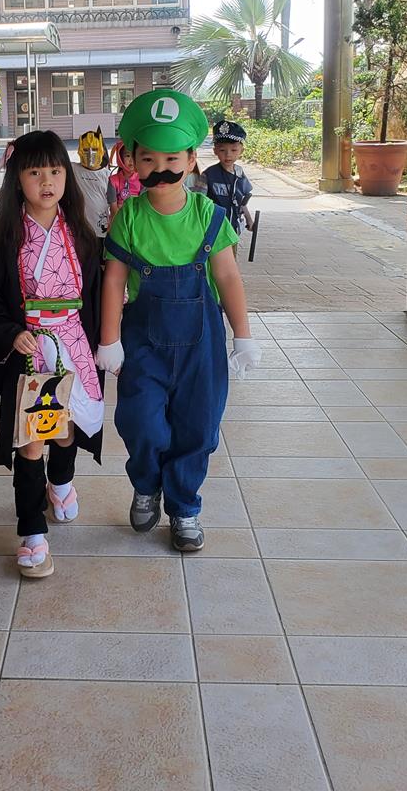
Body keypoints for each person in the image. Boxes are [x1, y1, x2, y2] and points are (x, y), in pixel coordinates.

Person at [95, 90, 262, 552]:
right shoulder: (128, 218)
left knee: (198, 427)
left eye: (172, 158)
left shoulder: (209, 216)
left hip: (201, 347)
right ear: (132, 162)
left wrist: (243, 336)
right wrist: (109, 340)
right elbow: (114, 279)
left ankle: (185, 506)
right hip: (143, 345)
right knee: (141, 421)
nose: (161, 168)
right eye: (149, 158)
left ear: (191, 161)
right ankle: (147, 484)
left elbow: (227, 276)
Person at [0, 130, 104, 578]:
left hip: (73, 343)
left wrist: (109, 338)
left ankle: (60, 483)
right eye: (34, 172)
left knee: (65, 431)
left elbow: (98, 292)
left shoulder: (81, 236)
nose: (47, 181)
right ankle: (31, 531)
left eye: (55, 171)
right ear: (17, 180)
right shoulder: (5, 242)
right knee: (32, 440)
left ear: (67, 176)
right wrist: (10, 333)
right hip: (32, 348)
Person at [202, 120, 254, 255]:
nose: (228, 154)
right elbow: (199, 202)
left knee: (231, 259)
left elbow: (242, 201)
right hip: (213, 230)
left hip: (232, 230)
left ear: (241, 151)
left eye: (234, 150)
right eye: (222, 150)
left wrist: (249, 219)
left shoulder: (240, 173)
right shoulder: (208, 175)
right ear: (215, 151)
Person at [70, 127, 112, 254]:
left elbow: (113, 204)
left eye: (94, 149)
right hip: (80, 230)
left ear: (100, 150)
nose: (90, 154)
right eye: (86, 150)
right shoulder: (73, 169)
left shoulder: (108, 176)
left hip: (101, 230)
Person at [106, 138, 141, 227]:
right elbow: (113, 209)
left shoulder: (142, 178)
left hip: (138, 221)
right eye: (127, 156)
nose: (131, 160)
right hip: (119, 223)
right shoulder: (113, 180)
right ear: (120, 158)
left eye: (134, 155)